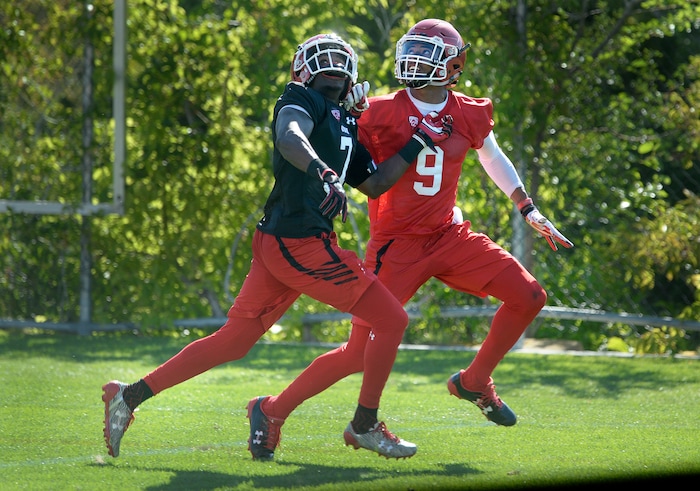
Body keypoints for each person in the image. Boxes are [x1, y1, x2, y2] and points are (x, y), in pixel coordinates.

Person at [102, 33, 453, 461]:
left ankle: (129, 395)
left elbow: (375, 182)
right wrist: (324, 172)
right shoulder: (299, 99)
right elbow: (289, 137)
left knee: (235, 341)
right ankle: (364, 424)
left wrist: (416, 143)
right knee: (392, 320)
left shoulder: (342, 119)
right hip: (299, 240)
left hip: (287, 241)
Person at [246, 19, 574, 458]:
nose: (415, 59)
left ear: (453, 65)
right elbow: (333, 142)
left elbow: (491, 156)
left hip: (448, 234)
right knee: (357, 354)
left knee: (530, 296)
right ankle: (272, 409)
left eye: (427, 52)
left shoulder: (468, 111)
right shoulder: (379, 111)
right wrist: (346, 115)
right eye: (412, 49)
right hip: (395, 245)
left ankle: (474, 382)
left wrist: (527, 207)